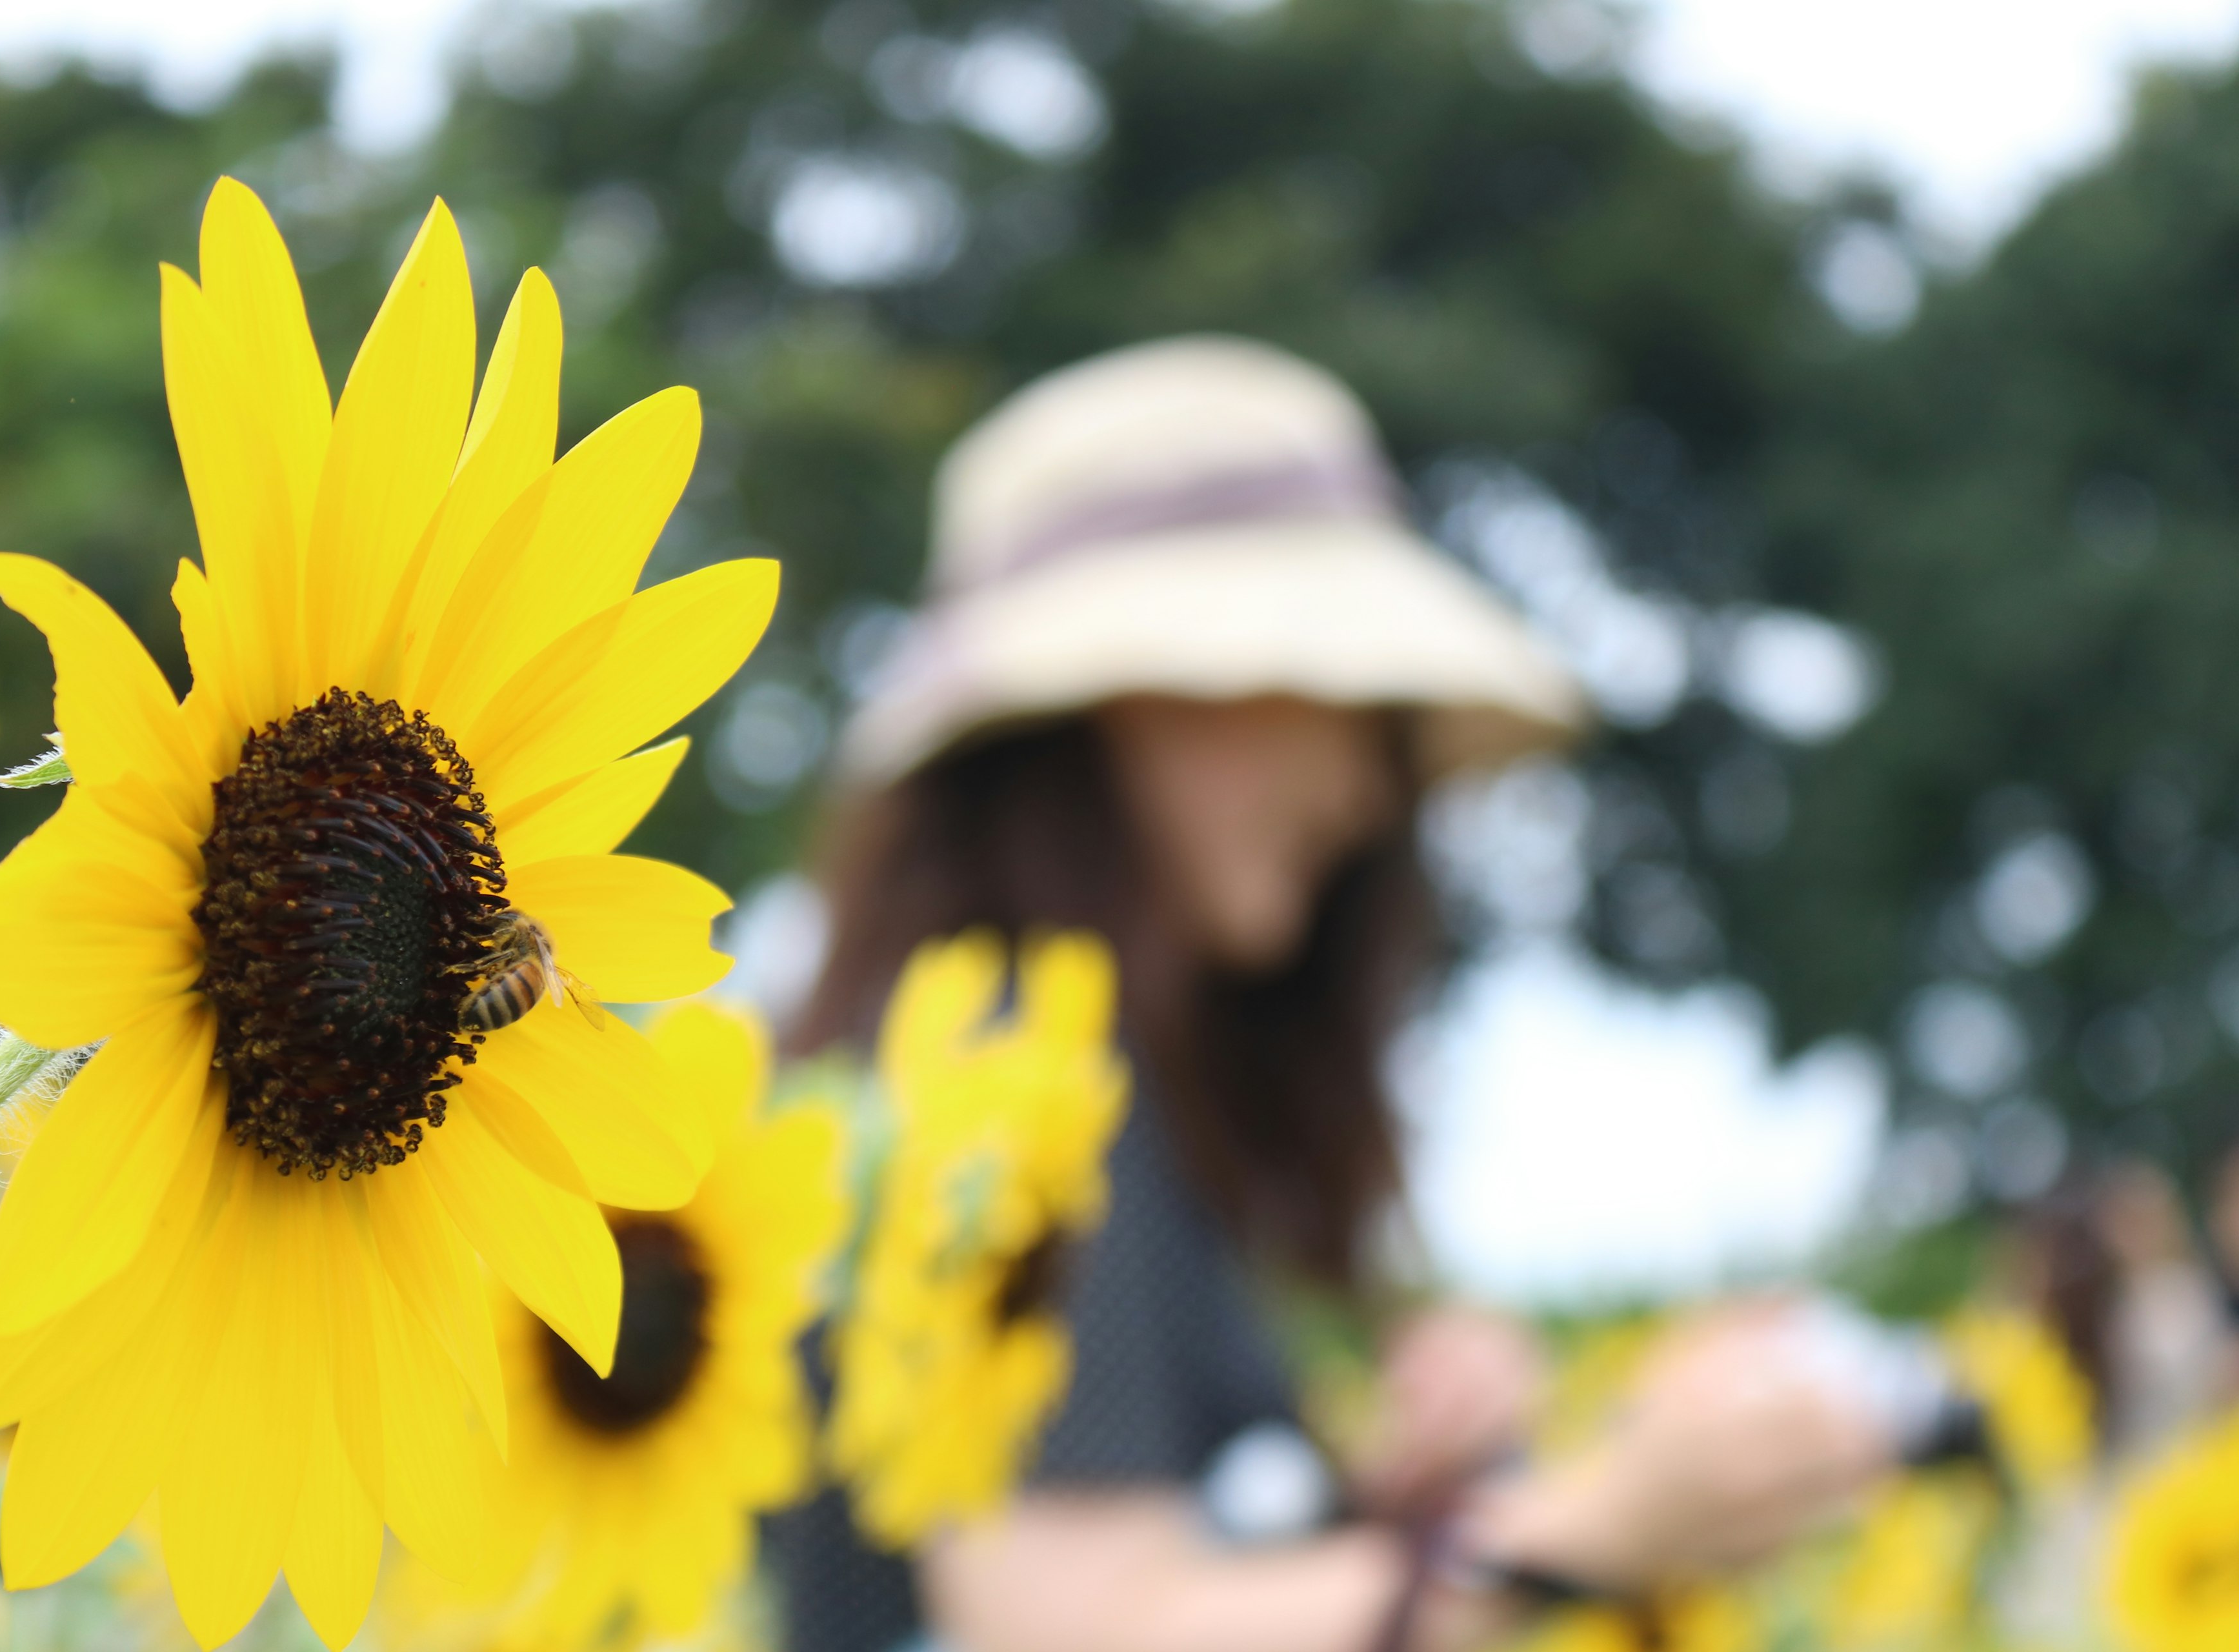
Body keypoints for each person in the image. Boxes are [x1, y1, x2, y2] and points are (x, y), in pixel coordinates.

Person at [771, 337, 1888, 1652]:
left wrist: (1389, 1499)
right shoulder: (1021, 1091)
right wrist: (1588, 1524)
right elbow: (1064, 1625)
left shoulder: (1018, 1070)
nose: (1368, 789)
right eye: (1339, 696)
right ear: (1142, 690)